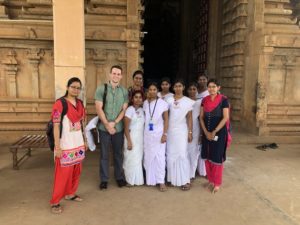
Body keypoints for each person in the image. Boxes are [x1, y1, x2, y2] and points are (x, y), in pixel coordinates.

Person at [50, 77, 86, 214]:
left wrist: (85, 141)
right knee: (62, 174)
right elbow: (56, 126)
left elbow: (82, 124)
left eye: (78, 88)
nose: (76, 90)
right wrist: (57, 147)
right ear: (67, 87)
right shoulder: (59, 104)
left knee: (76, 171)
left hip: (78, 144)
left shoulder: (81, 104)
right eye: (73, 87)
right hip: (65, 145)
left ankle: (70, 193)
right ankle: (55, 201)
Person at [95, 65, 128, 190]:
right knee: (104, 154)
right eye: (114, 73)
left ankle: (119, 177)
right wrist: (107, 124)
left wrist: (114, 123)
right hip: (104, 128)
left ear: (121, 76)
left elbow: (124, 109)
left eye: (118, 74)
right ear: (110, 74)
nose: (116, 76)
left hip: (118, 128)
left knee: (118, 154)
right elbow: (98, 108)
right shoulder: (101, 89)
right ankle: (104, 179)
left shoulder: (124, 91)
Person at [200, 79, 230, 193]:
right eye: (209, 87)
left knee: (217, 158)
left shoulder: (223, 100)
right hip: (206, 132)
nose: (211, 89)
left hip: (219, 133)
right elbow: (201, 117)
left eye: (214, 86)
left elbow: (225, 117)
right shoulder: (204, 100)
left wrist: (214, 131)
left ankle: (217, 183)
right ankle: (211, 180)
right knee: (208, 156)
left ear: (218, 88)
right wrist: (206, 132)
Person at [166, 79, 194, 190]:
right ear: (173, 88)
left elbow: (190, 118)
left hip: (182, 131)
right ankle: (173, 179)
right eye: (176, 86)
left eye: (180, 86)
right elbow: (165, 116)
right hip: (170, 131)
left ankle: (185, 180)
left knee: (182, 154)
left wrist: (190, 132)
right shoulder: (168, 100)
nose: (178, 88)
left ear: (183, 87)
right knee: (171, 154)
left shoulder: (188, 101)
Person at [143, 82, 169, 192]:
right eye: (150, 89)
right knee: (148, 157)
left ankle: (161, 181)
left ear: (157, 91)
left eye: (154, 89)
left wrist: (165, 134)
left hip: (159, 134)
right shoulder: (145, 103)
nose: (152, 91)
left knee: (160, 158)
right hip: (148, 135)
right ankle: (150, 179)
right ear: (148, 91)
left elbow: (166, 120)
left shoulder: (163, 103)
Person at [123, 90, 145, 186]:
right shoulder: (129, 110)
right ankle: (129, 180)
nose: (138, 99)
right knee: (130, 158)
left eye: (140, 97)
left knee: (138, 159)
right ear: (132, 99)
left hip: (140, 138)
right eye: (136, 97)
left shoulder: (142, 110)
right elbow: (126, 128)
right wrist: (129, 141)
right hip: (130, 137)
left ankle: (137, 180)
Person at [187, 82, 206, 179]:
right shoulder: (184, 101)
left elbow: (202, 118)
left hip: (196, 128)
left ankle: (191, 174)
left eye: (194, 89)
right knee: (185, 151)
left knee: (194, 151)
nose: (192, 91)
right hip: (184, 128)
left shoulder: (200, 102)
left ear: (197, 91)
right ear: (187, 91)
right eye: (190, 89)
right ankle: (186, 171)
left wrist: (201, 134)